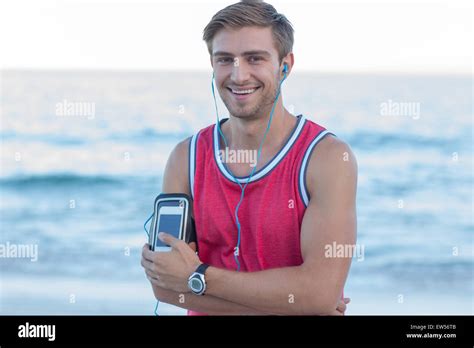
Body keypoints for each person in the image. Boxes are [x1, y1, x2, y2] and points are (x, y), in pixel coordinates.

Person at [141, 0, 357, 315]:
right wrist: (300, 305)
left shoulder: (327, 158)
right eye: (225, 59)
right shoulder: (185, 158)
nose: (239, 75)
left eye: (254, 58)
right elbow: (165, 286)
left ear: (285, 65)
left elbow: (318, 293)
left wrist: (197, 276)